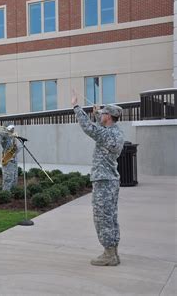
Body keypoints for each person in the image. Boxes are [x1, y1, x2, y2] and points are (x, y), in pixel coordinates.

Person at [72, 92, 125, 266]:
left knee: (102, 217)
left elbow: (89, 128)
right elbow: (99, 130)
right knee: (110, 217)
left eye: (103, 114)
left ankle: (109, 254)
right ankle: (113, 252)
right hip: (110, 181)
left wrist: (76, 107)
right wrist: (96, 114)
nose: (100, 115)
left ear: (108, 116)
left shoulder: (107, 134)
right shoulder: (116, 132)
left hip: (103, 181)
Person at [0, 124, 22, 192]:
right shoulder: (5, 137)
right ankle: (5, 194)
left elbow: (16, 148)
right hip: (8, 160)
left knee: (14, 179)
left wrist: (18, 146)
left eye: (13, 128)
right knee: (8, 179)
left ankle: (13, 193)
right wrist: (8, 133)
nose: (12, 130)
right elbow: (3, 136)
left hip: (14, 160)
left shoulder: (13, 138)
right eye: (11, 128)